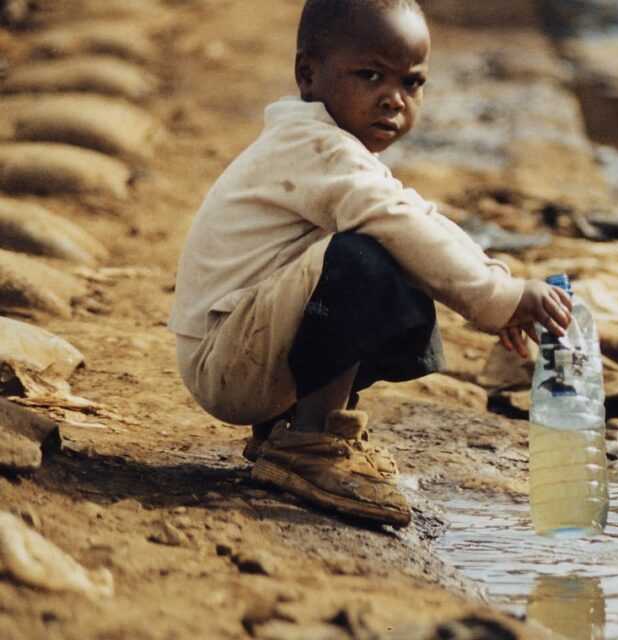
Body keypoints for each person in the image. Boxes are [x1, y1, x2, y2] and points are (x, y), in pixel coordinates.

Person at [168, 0, 572, 527]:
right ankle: (312, 444)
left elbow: (414, 216)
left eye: (412, 83)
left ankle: (288, 429)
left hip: (246, 349)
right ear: (308, 75)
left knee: (396, 261)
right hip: (225, 361)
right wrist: (503, 298)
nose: (394, 100)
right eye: (370, 75)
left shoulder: (333, 148)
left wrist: (498, 285)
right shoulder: (312, 146)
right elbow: (398, 219)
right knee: (367, 258)